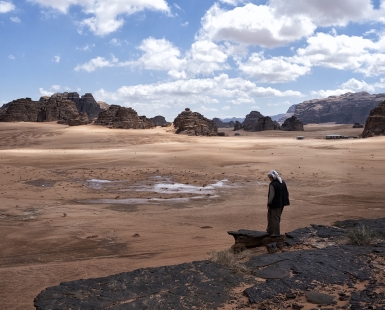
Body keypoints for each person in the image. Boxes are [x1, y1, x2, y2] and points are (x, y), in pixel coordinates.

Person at [266, 170, 290, 237]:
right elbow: (287, 193)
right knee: (273, 217)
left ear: (272, 177)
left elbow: (271, 196)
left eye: (270, 177)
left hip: (275, 204)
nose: (269, 179)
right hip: (282, 203)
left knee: (275, 219)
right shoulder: (282, 182)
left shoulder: (272, 184)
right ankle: (269, 232)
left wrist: (269, 204)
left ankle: (276, 234)